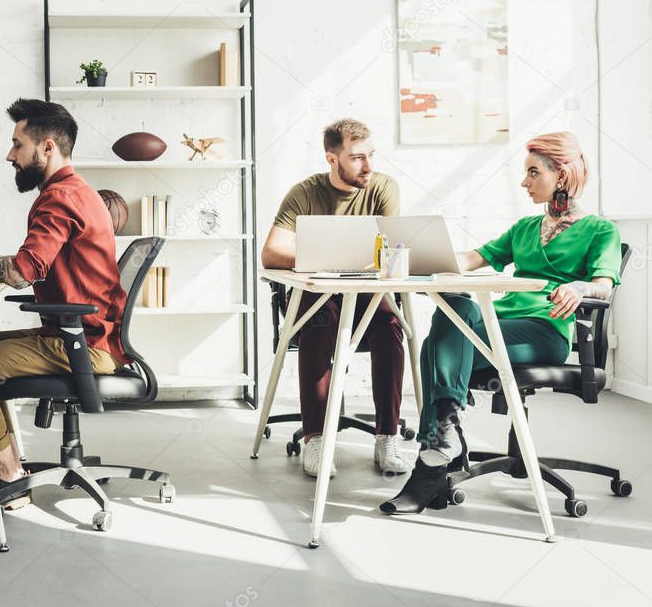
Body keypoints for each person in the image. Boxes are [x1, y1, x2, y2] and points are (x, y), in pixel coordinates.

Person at [381, 132, 622, 515]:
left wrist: (578, 287)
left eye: (532, 172)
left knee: (433, 347)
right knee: (455, 306)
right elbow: (472, 258)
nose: (523, 182)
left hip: (545, 332)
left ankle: (435, 453)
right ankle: (441, 444)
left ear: (561, 175)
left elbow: (603, 287)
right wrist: (412, 259)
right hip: (501, 322)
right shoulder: (525, 228)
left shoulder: (600, 230)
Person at [0, 98, 129, 520]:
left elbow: (22, 273)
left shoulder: (58, 198)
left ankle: (7, 482)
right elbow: (35, 262)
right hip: (82, 335)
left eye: (17, 145)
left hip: (82, 343)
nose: (9, 156)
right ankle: (8, 470)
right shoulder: (78, 192)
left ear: (47, 149)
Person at [261, 118, 409, 477]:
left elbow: (391, 252)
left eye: (371, 155)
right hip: (320, 294)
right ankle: (316, 440)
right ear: (332, 159)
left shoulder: (383, 188)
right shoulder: (305, 193)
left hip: (365, 295)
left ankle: (386, 436)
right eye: (358, 157)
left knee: (391, 327)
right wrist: (322, 257)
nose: (369, 166)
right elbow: (271, 252)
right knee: (318, 327)